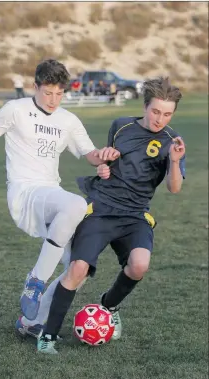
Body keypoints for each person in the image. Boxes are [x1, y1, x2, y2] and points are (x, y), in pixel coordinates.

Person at [0, 59, 119, 329]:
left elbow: (89, 154)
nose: (53, 100)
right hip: (25, 192)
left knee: (78, 268)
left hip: (51, 196)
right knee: (77, 204)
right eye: (47, 92)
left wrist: (103, 159)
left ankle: (32, 322)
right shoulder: (15, 109)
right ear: (35, 87)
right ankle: (36, 280)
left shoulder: (68, 120)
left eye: (59, 94)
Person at [35, 76, 186, 354]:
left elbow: (174, 188)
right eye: (155, 111)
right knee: (78, 269)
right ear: (145, 106)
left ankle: (109, 305)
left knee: (139, 265)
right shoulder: (121, 126)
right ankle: (48, 336)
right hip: (103, 209)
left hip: (135, 215)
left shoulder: (171, 142)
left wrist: (174, 162)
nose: (159, 119)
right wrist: (103, 167)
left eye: (167, 114)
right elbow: (107, 162)